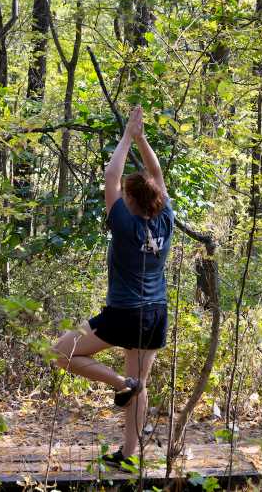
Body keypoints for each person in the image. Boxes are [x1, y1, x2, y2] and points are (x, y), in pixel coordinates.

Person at [50, 105, 174, 471]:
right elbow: (156, 173)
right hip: (155, 314)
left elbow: (112, 175)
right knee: (142, 382)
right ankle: (130, 455)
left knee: (59, 354)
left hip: (124, 312)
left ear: (132, 202)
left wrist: (127, 137)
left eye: (127, 196)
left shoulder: (124, 225)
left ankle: (121, 382)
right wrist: (142, 138)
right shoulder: (166, 218)